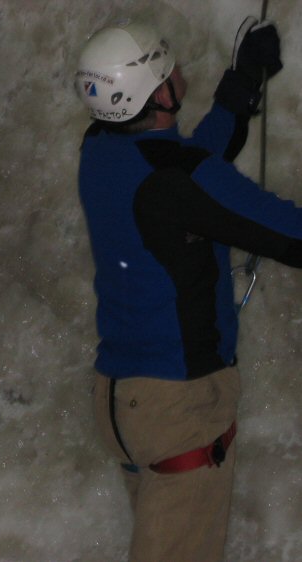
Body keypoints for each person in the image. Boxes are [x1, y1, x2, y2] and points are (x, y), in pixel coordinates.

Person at [75, 17, 299, 562]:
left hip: (126, 403)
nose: (179, 68)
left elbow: (189, 161)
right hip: (179, 408)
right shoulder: (176, 183)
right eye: (168, 65)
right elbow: (289, 233)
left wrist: (242, 83)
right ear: (159, 94)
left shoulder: (100, 149)